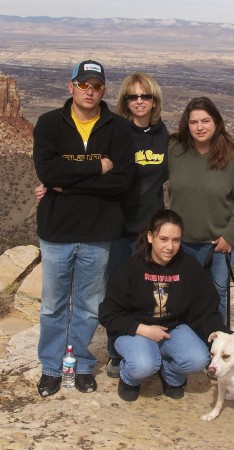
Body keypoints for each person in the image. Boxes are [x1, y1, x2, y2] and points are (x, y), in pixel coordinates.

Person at [33, 59, 134, 397]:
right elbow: (48, 173)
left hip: (98, 232)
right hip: (57, 232)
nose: (90, 91)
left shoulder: (118, 128)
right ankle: (51, 367)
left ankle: (82, 365)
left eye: (96, 86)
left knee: (90, 305)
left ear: (104, 90)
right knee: (53, 305)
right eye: (84, 85)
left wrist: (69, 181)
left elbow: (122, 180)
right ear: (70, 86)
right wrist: (97, 165)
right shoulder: (49, 124)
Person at [98, 209, 231, 402]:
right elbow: (109, 314)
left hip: (173, 329)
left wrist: (225, 336)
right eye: (164, 239)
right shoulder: (130, 268)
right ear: (151, 237)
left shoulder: (188, 266)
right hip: (135, 330)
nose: (170, 246)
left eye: (176, 240)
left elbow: (205, 308)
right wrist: (143, 329)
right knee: (143, 365)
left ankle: (171, 374)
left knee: (198, 359)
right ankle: (129, 378)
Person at [168, 97, 234, 324]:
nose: (199, 127)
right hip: (180, 243)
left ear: (216, 122)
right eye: (193, 122)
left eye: (205, 121)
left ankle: (217, 347)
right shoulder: (175, 150)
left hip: (217, 245)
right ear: (186, 124)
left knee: (216, 296)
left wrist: (229, 237)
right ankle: (188, 345)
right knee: (183, 295)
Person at [105, 72, 169, 376]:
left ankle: (147, 346)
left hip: (150, 230)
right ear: (125, 101)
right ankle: (116, 350)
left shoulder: (162, 133)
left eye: (146, 96)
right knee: (117, 290)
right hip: (117, 227)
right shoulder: (117, 131)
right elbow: (96, 167)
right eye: (133, 96)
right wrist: (55, 186)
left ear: (154, 100)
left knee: (149, 292)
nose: (139, 101)